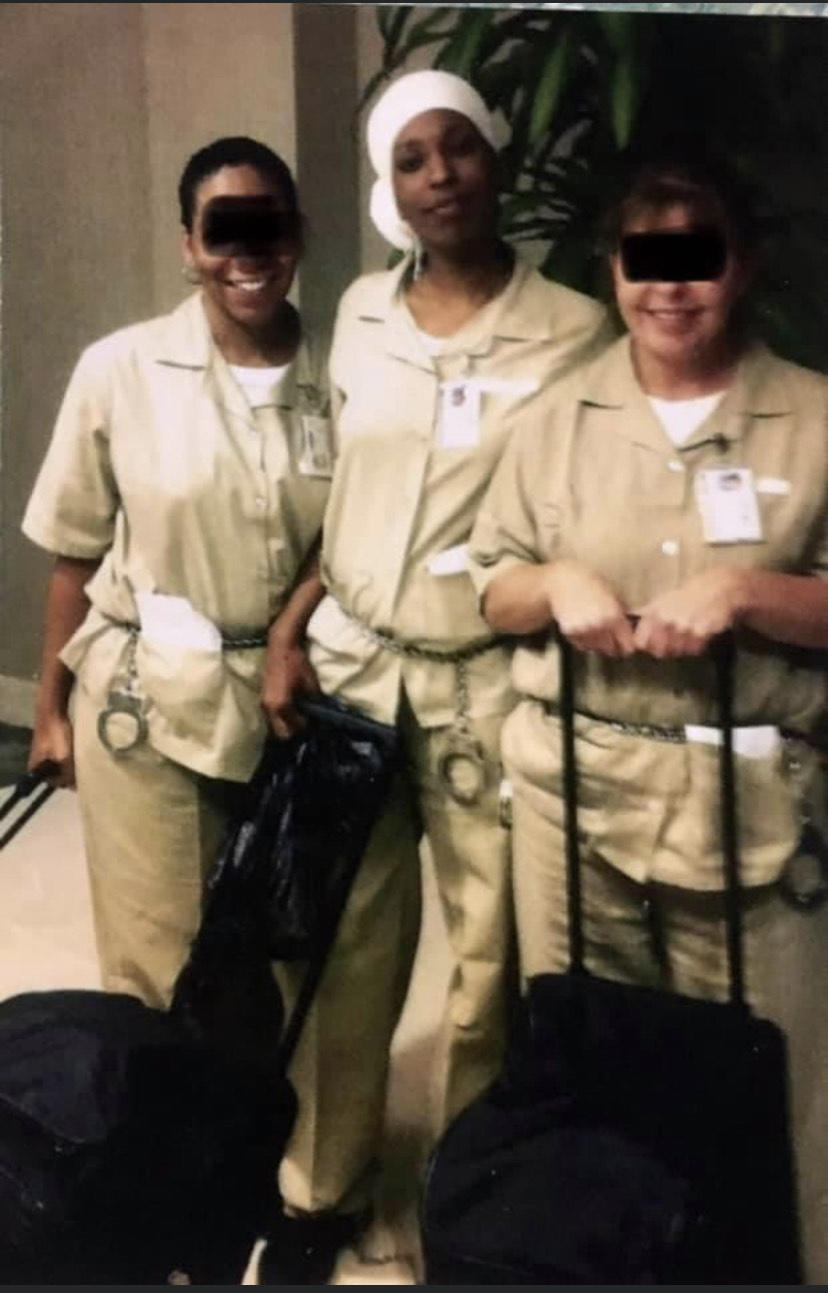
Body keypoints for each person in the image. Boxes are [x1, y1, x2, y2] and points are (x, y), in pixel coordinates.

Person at [260, 69, 610, 1284]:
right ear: (388, 185)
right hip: (352, 671)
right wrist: (290, 622)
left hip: (485, 684)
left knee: (484, 971)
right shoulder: (358, 312)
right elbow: (335, 499)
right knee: (339, 948)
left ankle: (465, 1207)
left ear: (494, 159)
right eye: (413, 159)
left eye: (457, 149)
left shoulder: (575, 330)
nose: (440, 176)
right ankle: (323, 1185)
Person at [469, 153, 828, 1281]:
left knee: (771, 1081)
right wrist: (557, 581)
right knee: (590, 1068)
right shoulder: (551, 423)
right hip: (573, 807)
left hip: (751, 816)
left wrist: (749, 593)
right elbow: (491, 584)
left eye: (698, 258)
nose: (671, 290)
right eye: (645, 260)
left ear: (745, 266)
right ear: (613, 270)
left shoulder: (815, 418)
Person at [22, 136, 331, 1011]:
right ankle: (157, 1146)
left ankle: (266, 1140)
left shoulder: (340, 379)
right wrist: (48, 712)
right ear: (189, 245)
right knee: (157, 966)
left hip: (289, 703)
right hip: (146, 701)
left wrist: (287, 627)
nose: (247, 254)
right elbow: (74, 552)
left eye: (266, 228)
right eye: (222, 231)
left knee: (292, 956)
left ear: (299, 236)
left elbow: (347, 533)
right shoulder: (118, 371)